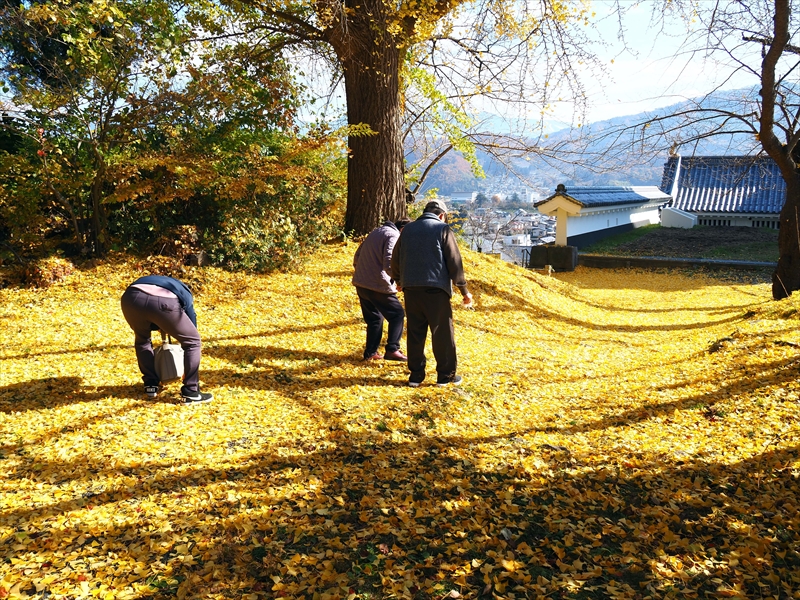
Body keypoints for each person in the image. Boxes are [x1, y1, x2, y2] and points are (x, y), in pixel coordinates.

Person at [391, 200, 473, 387]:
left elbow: (395, 258)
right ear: (442, 215)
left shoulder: (407, 230)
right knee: (442, 333)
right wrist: (464, 290)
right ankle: (445, 376)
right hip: (436, 290)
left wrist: (398, 280)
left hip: (411, 289)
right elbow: (454, 262)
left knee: (415, 333)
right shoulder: (442, 229)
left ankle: (415, 376)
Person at [120, 275, 213, 404]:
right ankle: (191, 391)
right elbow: (191, 325)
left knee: (142, 340)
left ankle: (150, 384)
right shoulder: (186, 293)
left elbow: (150, 316)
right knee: (193, 342)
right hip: (163, 302)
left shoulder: (161, 281)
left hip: (131, 298)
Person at [352, 218, 412, 361]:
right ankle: (393, 349)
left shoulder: (376, 232)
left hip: (362, 283)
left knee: (375, 319)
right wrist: (398, 280)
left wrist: (362, 272)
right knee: (397, 314)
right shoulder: (393, 235)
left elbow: (357, 256)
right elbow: (389, 261)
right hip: (378, 285)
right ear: (403, 229)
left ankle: (370, 353)